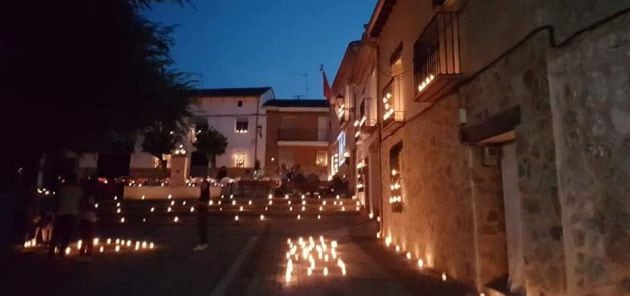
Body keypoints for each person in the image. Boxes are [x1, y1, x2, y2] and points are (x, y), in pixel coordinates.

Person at [48, 174, 82, 257]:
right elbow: (80, 203)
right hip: (71, 214)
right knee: (67, 234)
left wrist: (55, 212)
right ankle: (61, 250)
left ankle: (52, 251)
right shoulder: (78, 191)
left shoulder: (63, 190)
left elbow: (57, 201)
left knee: (57, 233)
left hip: (61, 213)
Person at [78, 178, 97, 258]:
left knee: (87, 236)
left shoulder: (88, 197)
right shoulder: (85, 197)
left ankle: (86, 251)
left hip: (87, 218)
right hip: (87, 218)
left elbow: (89, 207)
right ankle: (85, 250)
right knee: (87, 236)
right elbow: (91, 207)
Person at [193, 179, 210, 251]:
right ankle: (202, 242)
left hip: (203, 212)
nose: (203, 186)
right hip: (200, 211)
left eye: (204, 185)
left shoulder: (206, 194)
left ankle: (203, 243)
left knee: (202, 228)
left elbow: (206, 203)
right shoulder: (202, 193)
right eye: (202, 184)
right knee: (201, 228)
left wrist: (199, 203)